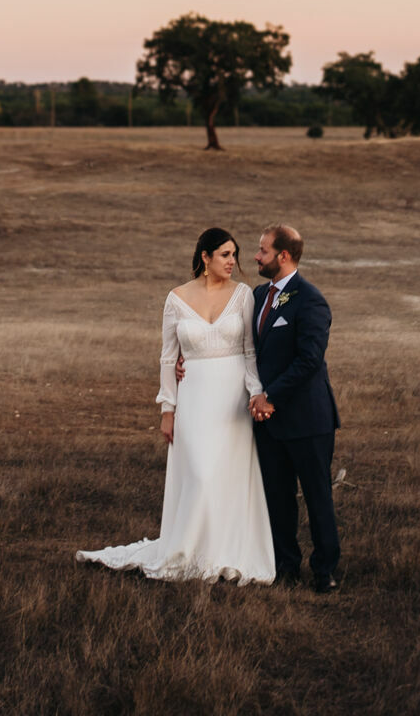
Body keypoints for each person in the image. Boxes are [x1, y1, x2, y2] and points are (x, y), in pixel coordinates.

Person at [75, 227, 275, 583]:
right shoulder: (176, 298)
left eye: (235, 255)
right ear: (205, 257)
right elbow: (168, 358)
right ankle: (187, 549)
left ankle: (223, 550)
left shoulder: (243, 295)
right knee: (198, 472)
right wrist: (167, 409)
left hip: (232, 397)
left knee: (224, 475)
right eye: (225, 255)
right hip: (194, 395)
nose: (233, 262)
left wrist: (256, 392)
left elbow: (248, 351)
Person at [247, 223, 341, 592]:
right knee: (277, 496)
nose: (256, 256)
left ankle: (325, 571)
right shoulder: (256, 296)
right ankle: (286, 566)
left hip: (307, 420)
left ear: (283, 256)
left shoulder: (310, 299)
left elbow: (309, 360)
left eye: (263, 250)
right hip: (268, 423)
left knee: (317, 495)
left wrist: (270, 396)